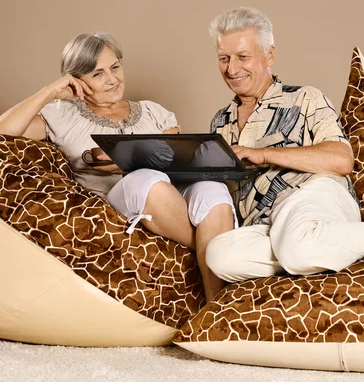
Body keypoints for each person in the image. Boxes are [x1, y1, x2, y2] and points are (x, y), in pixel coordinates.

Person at [0, 32, 235, 301]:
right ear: (77, 80)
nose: (112, 79)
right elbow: (3, 132)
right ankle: (222, 248)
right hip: (117, 204)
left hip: (170, 197)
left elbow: (179, 163)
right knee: (145, 180)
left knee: (212, 190)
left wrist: (133, 158)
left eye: (115, 67)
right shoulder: (62, 114)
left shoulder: (152, 112)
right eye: (97, 74)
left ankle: (217, 305)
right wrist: (50, 92)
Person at [205, 7, 364, 283]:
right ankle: (330, 250)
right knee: (219, 256)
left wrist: (261, 155)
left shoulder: (305, 98)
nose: (232, 68)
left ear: (269, 55)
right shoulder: (219, 123)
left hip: (312, 197)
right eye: (224, 58)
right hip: (266, 225)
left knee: (296, 247)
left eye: (242, 57)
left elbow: (341, 159)